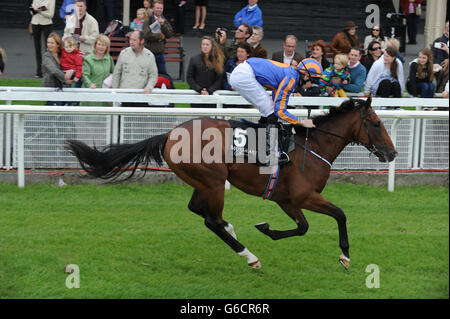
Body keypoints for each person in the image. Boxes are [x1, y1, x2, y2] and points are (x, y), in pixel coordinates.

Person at [229, 57, 315, 166]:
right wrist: (300, 121)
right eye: (313, 81)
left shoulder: (291, 74)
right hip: (244, 75)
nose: (312, 85)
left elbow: (276, 96)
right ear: (306, 76)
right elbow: (280, 112)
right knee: (270, 111)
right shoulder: (291, 79)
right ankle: (268, 155)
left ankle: (261, 147)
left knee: (269, 111)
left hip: (243, 71)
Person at [112, 30, 158, 107]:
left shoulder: (149, 56)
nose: (131, 42)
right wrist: (114, 92)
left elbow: (153, 76)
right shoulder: (124, 53)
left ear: (142, 41)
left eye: (134, 40)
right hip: (124, 97)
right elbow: (116, 74)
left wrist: (148, 88)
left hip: (142, 97)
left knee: (139, 119)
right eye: (130, 39)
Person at [186, 36, 224, 108]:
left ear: (212, 46)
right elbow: (189, 77)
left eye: (207, 44)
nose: (205, 46)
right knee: (197, 118)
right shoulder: (194, 59)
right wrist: (199, 90)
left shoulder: (218, 60)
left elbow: (219, 80)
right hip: (196, 95)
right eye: (203, 44)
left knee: (210, 118)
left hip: (212, 95)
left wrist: (209, 91)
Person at [41, 33, 74, 106]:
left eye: (52, 43)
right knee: (53, 112)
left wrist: (72, 72)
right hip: (51, 87)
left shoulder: (63, 54)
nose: (49, 45)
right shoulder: (46, 56)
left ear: (58, 44)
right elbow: (54, 70)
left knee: (65, 111)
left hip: (64, 87)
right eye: (48, 42)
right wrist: (66, 78)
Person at [142, 0, 174, 74]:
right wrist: (160, 36)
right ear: (153, 9)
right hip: (149, 53)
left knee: (163, 76)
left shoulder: (164, 20)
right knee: (148, 75)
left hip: (160, 53)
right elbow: (146, 34)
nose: (159, 10)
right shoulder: (148, 20)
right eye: (157, 8)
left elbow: (170, 34)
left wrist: (163, 25)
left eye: (161, 8)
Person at [30, 0, 55, 78]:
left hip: (47, 24)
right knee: (37, 48)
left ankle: (48, 71)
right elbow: (31, 12)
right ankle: (39, 72)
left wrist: (39, 11)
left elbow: (51, 15)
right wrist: (35, 10)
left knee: (48, 48)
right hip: (35, 23)